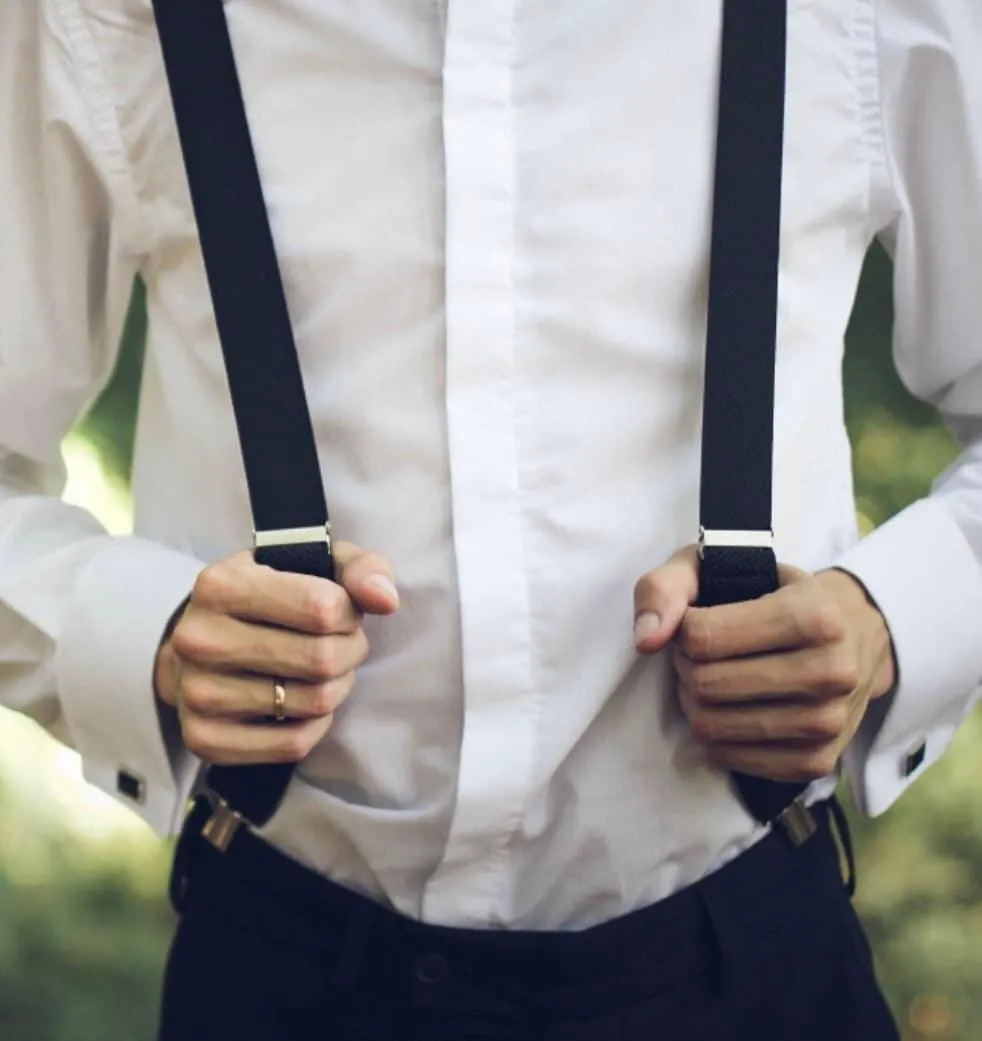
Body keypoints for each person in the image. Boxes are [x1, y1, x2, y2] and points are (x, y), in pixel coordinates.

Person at [2, 1, 980, 1038]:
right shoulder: (105, 15)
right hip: (284, 966)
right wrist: (134, 631)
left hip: (750, 963)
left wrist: (888, 620)